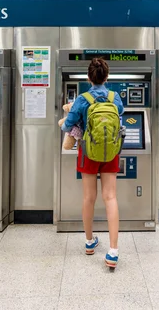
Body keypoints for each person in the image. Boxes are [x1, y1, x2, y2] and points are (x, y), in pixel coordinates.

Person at [61, 58, 124, 268]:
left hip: (88, 151)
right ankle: (113, 251)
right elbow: (121, 113)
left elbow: (67, 126)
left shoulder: (82, 98)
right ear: (107, 77)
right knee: (110, 197)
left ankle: (89, 242)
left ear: (89, 78)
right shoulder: (115, 98)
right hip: (111, 151)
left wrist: (72, 114)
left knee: (89, 197)